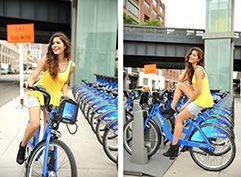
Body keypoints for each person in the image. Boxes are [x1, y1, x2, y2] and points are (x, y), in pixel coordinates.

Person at [16, 32, 76, 165]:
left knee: (50, 129)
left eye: (58, 43)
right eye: (53, 43)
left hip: (53, 98)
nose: (54, 45)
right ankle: (22, 146)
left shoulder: (71, 65)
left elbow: (65, 82)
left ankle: (48, 156)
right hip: (38, 93)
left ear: (65, 46)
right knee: (35, 123)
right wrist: (29, 82)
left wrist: (65, 96)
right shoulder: (47, 59)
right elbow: (35, 74)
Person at [162, 47, 214, 159]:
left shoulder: (199, 70)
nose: (191, 56)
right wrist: (188, 66)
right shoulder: (194, 69)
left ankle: (174, 148)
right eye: (190, 54)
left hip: (201, 100)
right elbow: (180, 80)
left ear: (199, 59)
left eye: (194, 55)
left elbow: (198, 90)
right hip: (200, 98)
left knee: (179, 119)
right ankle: (172, 110)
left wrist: (186, 104)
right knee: (179, 85)